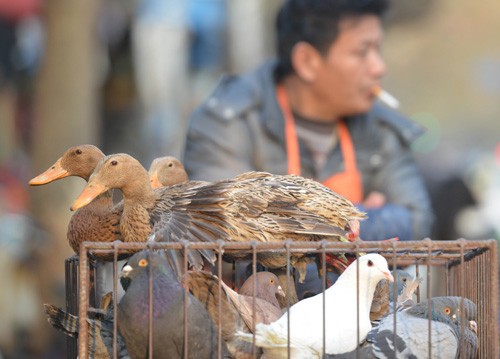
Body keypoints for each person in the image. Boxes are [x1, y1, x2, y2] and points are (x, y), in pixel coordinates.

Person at [183, 0, 434, 297]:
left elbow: (416, 222)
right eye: (362, 51)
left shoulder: (382, 128)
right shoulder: (227, 121)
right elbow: (225, 236)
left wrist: (290, 229)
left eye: (378, 50)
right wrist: (360, 223)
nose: (379, 67)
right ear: (307, 61)